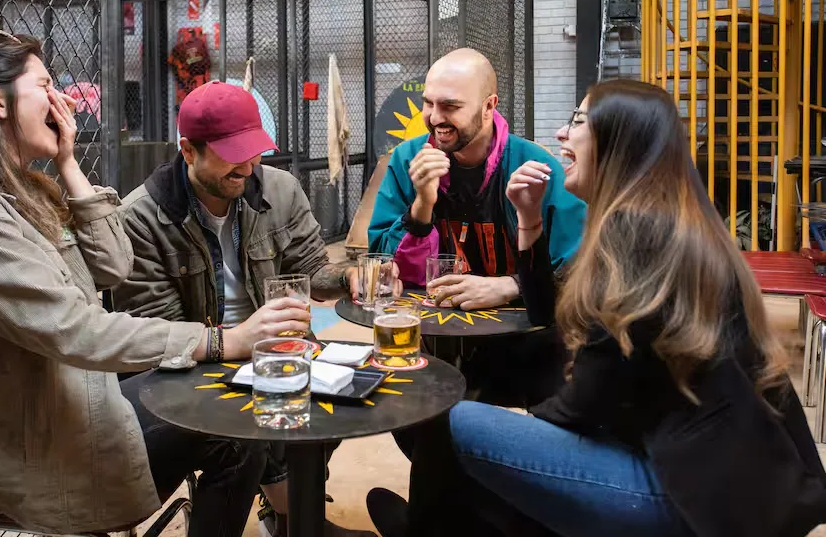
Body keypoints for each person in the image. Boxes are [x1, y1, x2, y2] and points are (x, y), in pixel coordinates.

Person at [369, 80, 826, 537]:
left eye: (578, 122)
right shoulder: (665, 220)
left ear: (618, 143)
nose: (561, 134)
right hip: (706, 472)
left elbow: (587, 398)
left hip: (689, 497)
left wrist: (519, 433)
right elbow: (547, 313)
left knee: (453, 419)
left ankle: (421, 530)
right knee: (490, 436)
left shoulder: (637, 236)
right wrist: (529, 219)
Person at [0, 31, 303, 537]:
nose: (63, 101)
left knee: (236, 425)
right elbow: (79, 331)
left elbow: (113, 264)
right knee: (231, 424)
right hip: (32, 449)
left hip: (75, 401)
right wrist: (223, 340)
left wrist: (68, 162)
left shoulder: (25, 192)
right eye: (45, 86)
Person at [112, 80, 385, 537]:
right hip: (195, 361)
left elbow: (311, 271)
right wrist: (239, 340)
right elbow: (162, 336)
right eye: (232, 154)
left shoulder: (280, 189)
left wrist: (347, 279)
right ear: (188, 150)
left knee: (345, 392)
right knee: (258, 420)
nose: (248, 165)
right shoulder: (140, 218)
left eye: (254, 150)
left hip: (276, 345)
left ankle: (290, 512)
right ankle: (295, 515)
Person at [367, 47, 587, 407]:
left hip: (527, 338)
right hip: (436, 334)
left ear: (489, 106)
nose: (435, 118)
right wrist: (422, 206)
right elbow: (383, 266)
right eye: (428, 104)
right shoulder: (409, 159)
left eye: (450, 106)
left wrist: (511, 286)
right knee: (412, 418)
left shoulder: (533, 165)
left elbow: (579, 270)